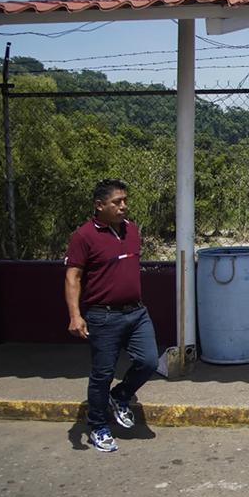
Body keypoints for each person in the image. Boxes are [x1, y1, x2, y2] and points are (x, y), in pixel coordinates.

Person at [65, 179, 158, 452]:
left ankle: (121, 395)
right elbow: (73, 277)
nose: (123, 206)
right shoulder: (84, 236)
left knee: (149, 361)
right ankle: (97, 426)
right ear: (99, 205)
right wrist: (75, 315)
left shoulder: (132, 230)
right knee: (102, 374)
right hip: (103, 317)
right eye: (116, 202)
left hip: (137, 312)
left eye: (125, 201)